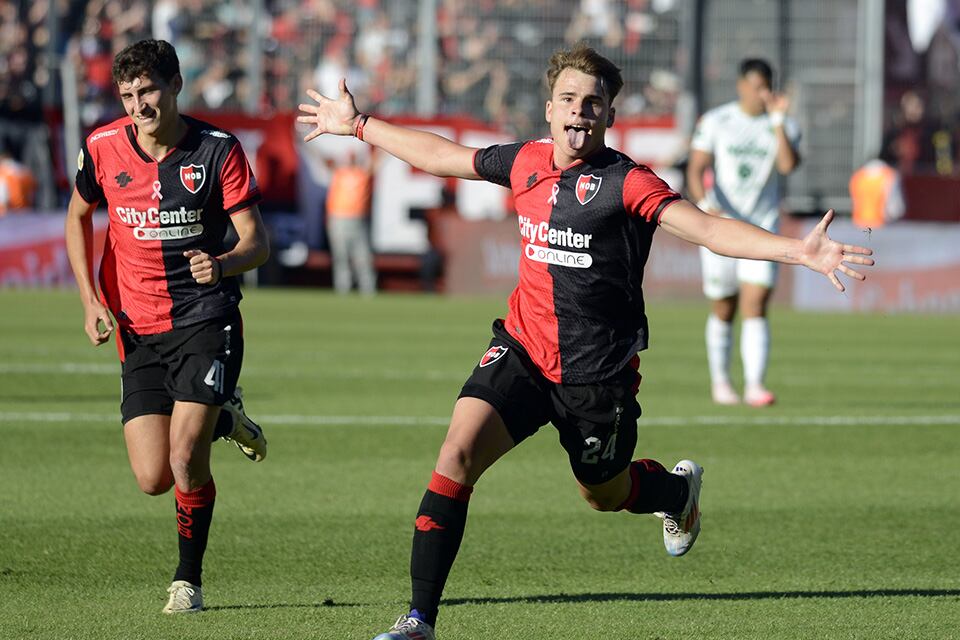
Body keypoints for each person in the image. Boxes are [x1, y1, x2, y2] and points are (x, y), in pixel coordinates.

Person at [299, 43, 873, 640]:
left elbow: (704, 227)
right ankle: (419, 620)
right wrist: (359, 125)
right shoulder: (525, 161)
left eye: (593, 102)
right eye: (569, 99)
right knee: (456, 454)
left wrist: (795, 250)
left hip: (597, 378)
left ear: (608, 117)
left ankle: (676, 491)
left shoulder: (627, 183)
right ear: (550, 109)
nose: (580, 111)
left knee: (604, 493)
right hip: (522, 349)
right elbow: (447, 157)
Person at [64, 39, 270, 615]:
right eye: (128, 95)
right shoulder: (102, 147)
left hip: (205, 319)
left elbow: (258, 243)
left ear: (176, 84)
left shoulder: (217, 151)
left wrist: (224, 262)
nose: (139, 105)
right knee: (153, 478)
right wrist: (88, 300)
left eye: (149, 90)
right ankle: (222, 415)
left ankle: (188, 581)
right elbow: (78, 216)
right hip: (137, 326)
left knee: (185, 461)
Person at [686, 58, 802, 407]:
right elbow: (696, 168)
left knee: (756, 304)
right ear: (742, 86)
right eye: (756, 87)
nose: (762, 94)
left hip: (763, 228)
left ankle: (754, 385)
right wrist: (705, 203)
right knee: (724, 306)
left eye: (767, 87)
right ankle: (721, 382)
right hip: (721, 227)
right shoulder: (717, 121)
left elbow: (787, 165)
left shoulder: (783, 124)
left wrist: (779, 120)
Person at [325, 149, 377, 294]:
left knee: (363, 256)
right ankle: (343, 288)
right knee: (341, 256)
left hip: (358, 219)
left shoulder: (362, 173)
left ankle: (368, 289)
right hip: (338, 219)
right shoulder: (339, 173)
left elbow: (376, 162)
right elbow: (322, 158)